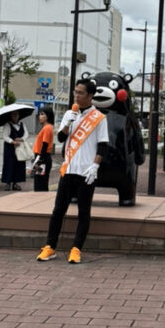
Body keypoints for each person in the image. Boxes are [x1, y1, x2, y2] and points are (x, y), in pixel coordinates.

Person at [36, 79, 109, 265]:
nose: (76, 96)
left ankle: (76, 249)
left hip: (86, 172)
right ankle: (50, 247)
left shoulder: (99, 118)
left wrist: (96, 166)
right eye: (75, 92)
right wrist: (67, 123)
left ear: (90, 96)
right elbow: (60, 138)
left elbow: (103, 146)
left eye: (80, 93)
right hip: (68, 169)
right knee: (58, 210)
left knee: (83, 212)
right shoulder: (70, 113)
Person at [1, 110, 29, 191]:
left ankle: (15, 183)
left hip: (19, 147)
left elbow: (26, 134)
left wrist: (21, 139)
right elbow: (5, 136)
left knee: (19, 164)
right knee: (9, 164)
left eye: (16, 115)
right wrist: (12, 141)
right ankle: (7, 183)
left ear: (19, 116)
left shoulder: (22, 124)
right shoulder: (7, 124)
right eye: (13, 115)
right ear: (11, 116)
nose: (15, 116)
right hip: (10, 148)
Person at [30, 106, 54, 191]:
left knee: (40, 183)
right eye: (39, 114)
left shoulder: (47, 128)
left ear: (48, 116)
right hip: (42, 157)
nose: (40, 116)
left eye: (42, 114)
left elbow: (45, 144)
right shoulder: (47, 127)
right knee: (40, 181)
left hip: (43, 158)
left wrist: (39, 159)